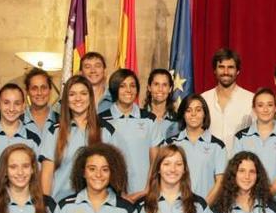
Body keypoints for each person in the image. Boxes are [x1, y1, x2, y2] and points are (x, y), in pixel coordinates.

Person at [40, 75, 115, 200]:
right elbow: (47, 174)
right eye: (72, 94)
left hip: (96, 206)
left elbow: (113, 172)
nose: (78, 98)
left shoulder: (105, 130)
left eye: (83, 93)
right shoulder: (54, 131)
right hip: (59, 207)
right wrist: (46, 205)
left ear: (90, 97)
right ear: (66, 99)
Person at [99, 68, 162, 200]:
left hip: (145, 193)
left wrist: (147, 189)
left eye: (132, 86)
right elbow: (99, 161)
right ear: (115, 89)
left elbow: (155, 159)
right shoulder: (101, 120)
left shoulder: (149, 119)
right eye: (123, 86)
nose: (129, 90)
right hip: (111, 194)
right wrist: (118, 193)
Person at [232, 88, 276, 206]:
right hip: (246, 204)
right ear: (254, 109)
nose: (265, 109)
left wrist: (261, 199)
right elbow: (236, 173)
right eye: (260, 105)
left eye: (270, 105)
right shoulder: (240, 137)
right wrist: (250, 201)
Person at [164, 94, 227, 204]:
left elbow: (220, 182)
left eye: (198, 110)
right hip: (176, 209)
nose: (193, 114)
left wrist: (203, 207)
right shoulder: (170, 144)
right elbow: (163, 179)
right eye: (188, 110)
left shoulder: (217, 146)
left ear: (204, 114)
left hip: (207, 211)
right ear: (183, 114)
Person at [0, 83, 42, 185]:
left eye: (17, 103)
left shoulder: (33, 139)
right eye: (6, 103)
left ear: (23, 107)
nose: (11, 109)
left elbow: (36, 176)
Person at [201, 48, 254, 155]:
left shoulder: (251, 100)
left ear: (238, 71)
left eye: (230, 67)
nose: (226, 72)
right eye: (221, 67)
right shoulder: (203, 99)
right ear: (215, 70)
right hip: (208, 164)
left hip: (239, 166)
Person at [23, 68, 58, 141]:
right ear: (27, 92)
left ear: (50, 90)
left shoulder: (61, 120)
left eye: (44, 88)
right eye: (34, 88)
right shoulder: (18, 121)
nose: (39, 93)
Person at [144, 68, 177, 141]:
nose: (160, 89)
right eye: (156, 84)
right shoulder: (139, 117)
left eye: (164, 85)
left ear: (170, 89)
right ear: (149, 87)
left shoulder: (178, 121)